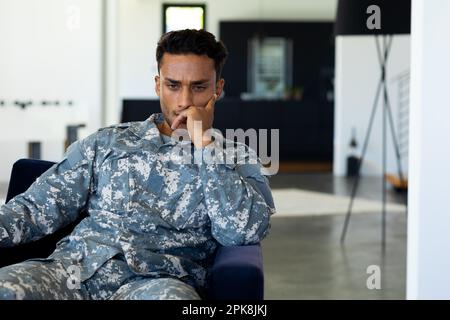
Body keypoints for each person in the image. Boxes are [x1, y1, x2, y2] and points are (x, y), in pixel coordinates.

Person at [0, 29, 275, 300]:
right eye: (173, 85)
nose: (185, 102)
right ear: (158, 85)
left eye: (199, 87)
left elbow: (242, 231)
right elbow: (34, 209)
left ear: (218, 89)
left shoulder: (239, 158)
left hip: (156, 285)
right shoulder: (107, 142)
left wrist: (205, 144)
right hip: (73, 274)